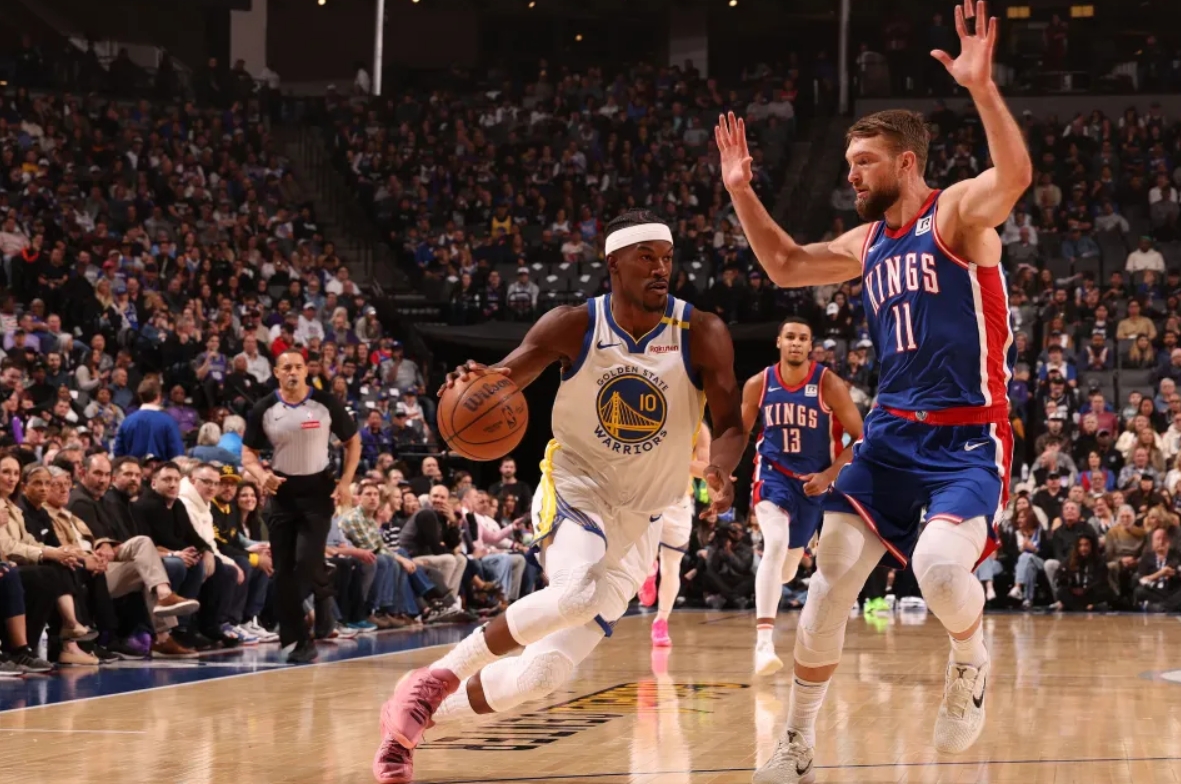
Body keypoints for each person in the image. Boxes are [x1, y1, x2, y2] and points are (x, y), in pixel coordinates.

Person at [718, 3, 1029, 777]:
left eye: (862, 162)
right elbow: (785, 265)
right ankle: (795, 741)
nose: (849, 174)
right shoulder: (867, 242)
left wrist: (981, 88)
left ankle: (970, 660)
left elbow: (1014, 177)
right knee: (829, 582)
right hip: (890, 434)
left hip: (967, 435)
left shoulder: (955, 217)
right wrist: (740, 189)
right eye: (848, 161)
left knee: (939, 569)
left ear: (906, 163)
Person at [372, 209, 745, 784]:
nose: (660, 269)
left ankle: (408, 726)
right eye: (646, 257)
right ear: (613, 262)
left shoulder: (702, 332)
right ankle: (436, 679)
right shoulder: (573, 325)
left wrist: (720, 468)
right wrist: (474, 381)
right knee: (573, 593)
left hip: (642, 520)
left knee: (542, 675)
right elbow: (505, 377)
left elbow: (731, 424)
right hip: (577, 487)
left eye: (667, 258)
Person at [742, 317, 864, 675]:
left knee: (787, 568)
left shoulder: (828, 383)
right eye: (790, 337)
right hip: (772, 474)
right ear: (779, 342)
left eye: (803, 338)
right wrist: (721, 471)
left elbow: (861, 438)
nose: (796, 342)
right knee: (775, 543)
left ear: (811, 346)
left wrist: (829, 475)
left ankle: (794, 558)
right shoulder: (759, 384)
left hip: (812, 484)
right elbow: (737, 433)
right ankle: (763, 644)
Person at [242, 348, 361, 664]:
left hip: (317, 491)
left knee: (306, 563)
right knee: (282, 571)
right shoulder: (264, 408)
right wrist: (261, 475)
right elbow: (248, 454)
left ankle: (321, 587)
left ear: (306, 371)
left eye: (298, 367)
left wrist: (345, 482)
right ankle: (301, 641)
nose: (293, 372)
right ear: (276, 373)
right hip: (281, 492)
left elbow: (353, 441)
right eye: (286, 368)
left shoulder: (325, 403)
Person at [638, 422, 712, 647]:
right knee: (642, 553)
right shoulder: (649, 415)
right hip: (647, 495)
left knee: (672, 566)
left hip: (679, 501)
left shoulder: (699, 428)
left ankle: (661, 621)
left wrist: (677, 462)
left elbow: (705, 468)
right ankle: (647, 572)